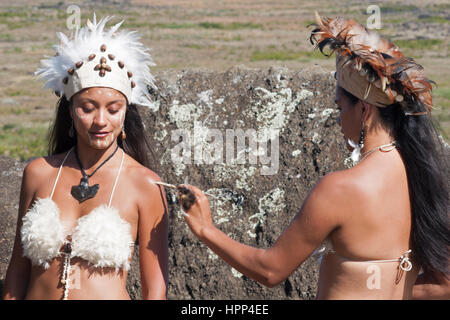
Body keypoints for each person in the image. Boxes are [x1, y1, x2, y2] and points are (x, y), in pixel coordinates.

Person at [177, 13, 449, 299]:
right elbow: (444, 285)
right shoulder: (424, 178)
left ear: (365, 111)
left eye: (340, 108)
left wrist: (205, 229)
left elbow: (270, 270)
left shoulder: (341, 189)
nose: (339, 120)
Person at [3, 15, 168, 300]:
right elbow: (17, 270)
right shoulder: (39, 173)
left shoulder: (146, 185)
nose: (100, 121)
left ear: (125, 113)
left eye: (113, 109)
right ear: (70, 110)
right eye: (88, 108)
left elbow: (155, 289)